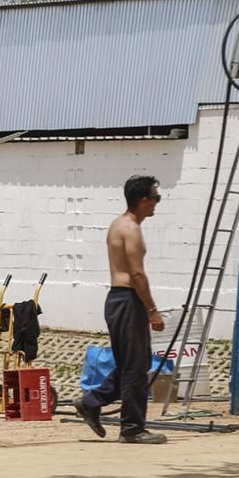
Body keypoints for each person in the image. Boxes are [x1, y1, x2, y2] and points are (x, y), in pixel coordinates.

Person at [75, 175, 168, 444]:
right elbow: (137, 274)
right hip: (128, 299)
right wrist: (152, 310)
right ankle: (132, 428)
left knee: (131, 363)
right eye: (155, 198)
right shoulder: (132, 230)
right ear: (143, 200)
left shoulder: (118, 224)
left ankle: (91, 403)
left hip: (117, 299)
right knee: (136, 368)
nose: (156, 205)